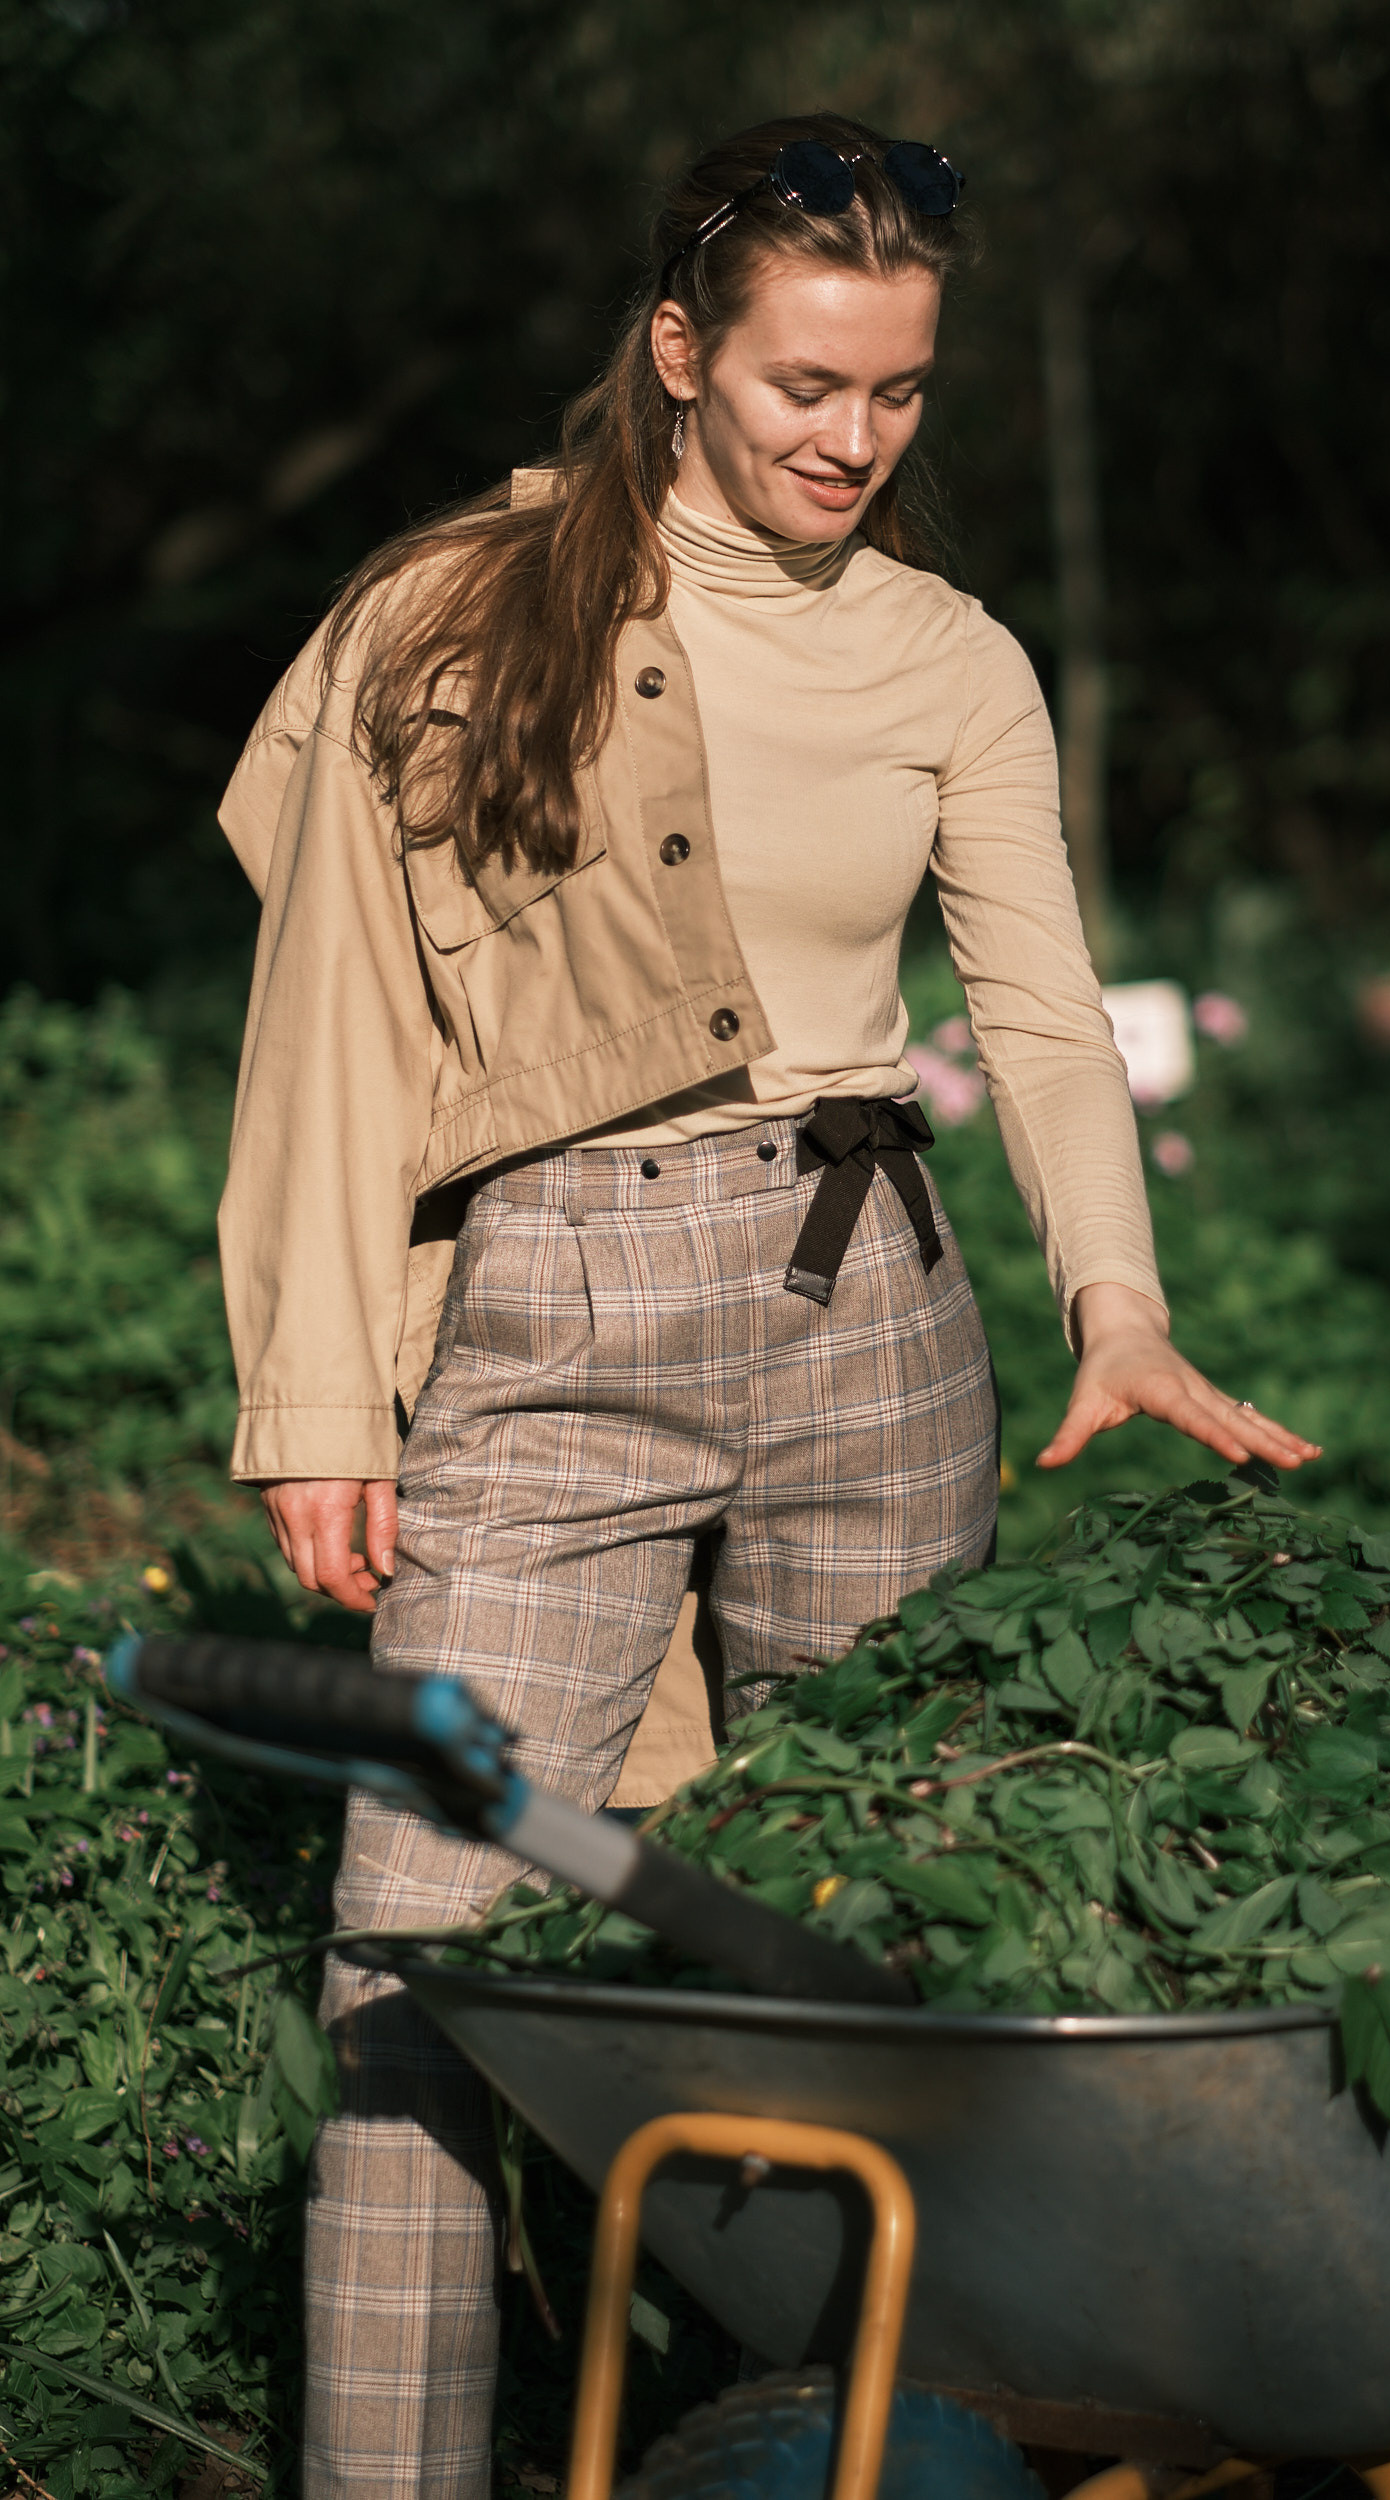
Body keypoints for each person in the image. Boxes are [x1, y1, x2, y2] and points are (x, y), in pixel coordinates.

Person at [214, 111, 1319, 2496]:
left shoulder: (949, 654)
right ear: (679, 347)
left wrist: (1114, 1300)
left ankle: (831, 2446)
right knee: (417, 1941)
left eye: (898, 390)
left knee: (856, 1925)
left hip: (871, 1308)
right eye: (806, 382)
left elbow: (1040, 1009)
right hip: (558, 1309)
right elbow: (329, 1019)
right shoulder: (453, 611)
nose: (852, 436)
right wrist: (316, 1393)